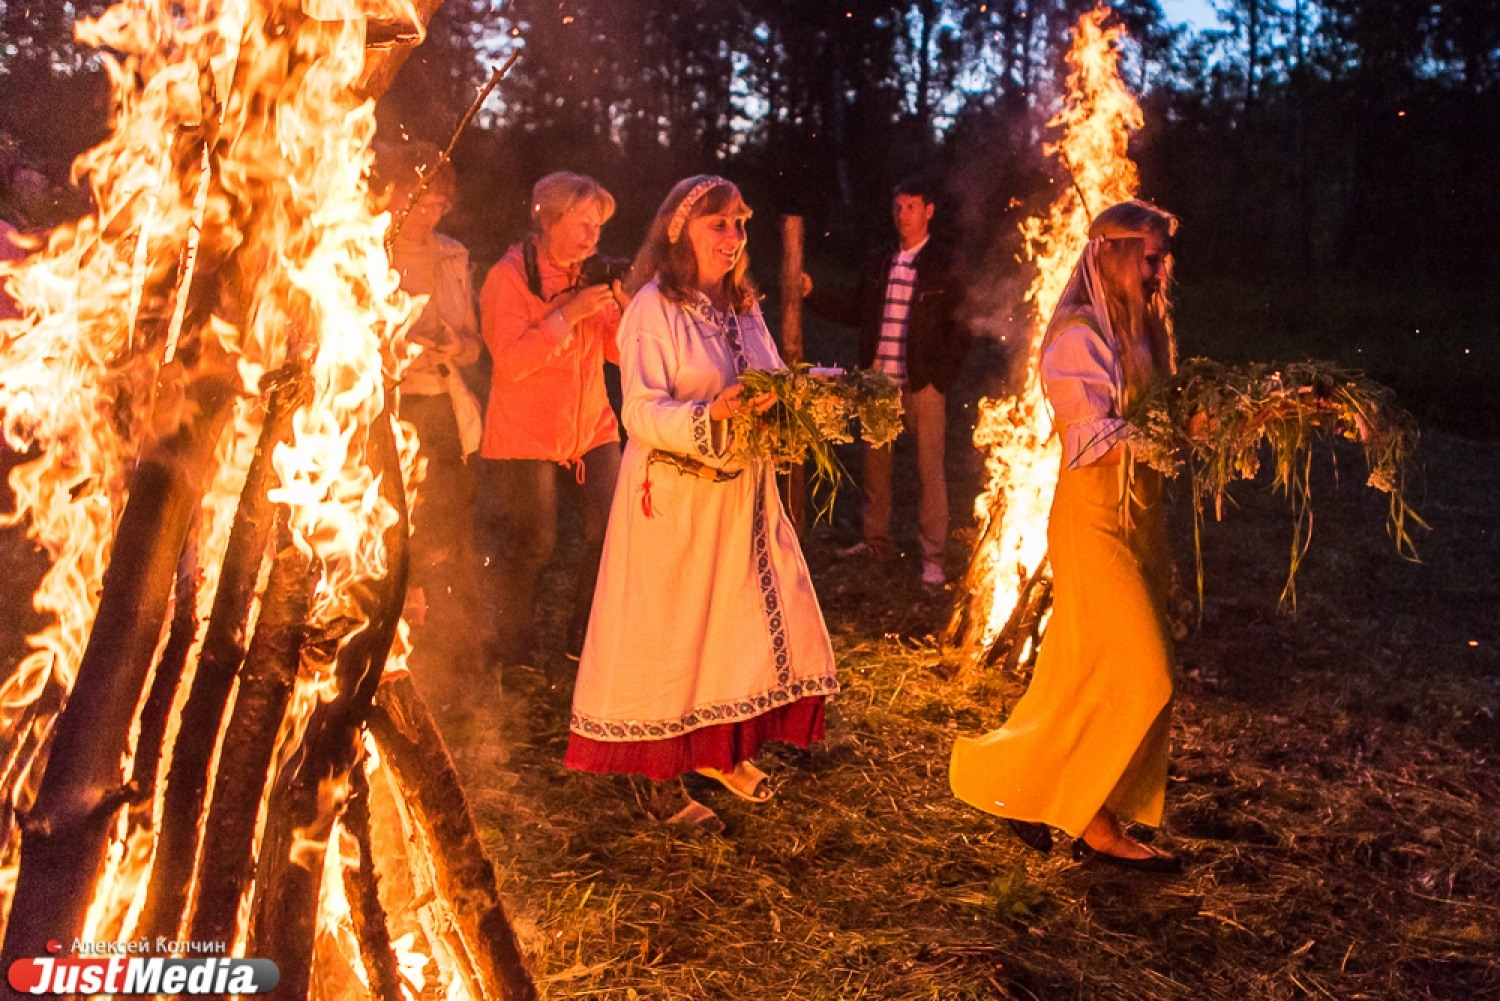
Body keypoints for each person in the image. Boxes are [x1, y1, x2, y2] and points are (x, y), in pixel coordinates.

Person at [564, 175, 839, 828]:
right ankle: (660, 784)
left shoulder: (742, 303)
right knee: (670, 641)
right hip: (675, 503)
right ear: (678, 229)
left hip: (739, 498)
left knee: (732, 626)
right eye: (720, 223)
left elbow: (766, 376)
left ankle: (719, 747)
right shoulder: (653, 310)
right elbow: (639, 410)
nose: (735, 237)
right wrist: (710, 414)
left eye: (741, 223)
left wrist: (806, 398)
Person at [948, 200, 1182, 872]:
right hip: (1093, 518)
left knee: (1088, 670)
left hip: (1136, 516)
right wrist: (1166, 437)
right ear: (1111, 251)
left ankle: (1089, 815)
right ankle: (1039, 789)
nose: (1159, 270)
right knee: (1147, 672)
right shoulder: (1078, 335)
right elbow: (1093, 441)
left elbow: (1157, 412)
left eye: (1163, 257)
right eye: (1149, 256)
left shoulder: (1140, 329)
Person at [478, 172, 628, 664]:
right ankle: (511, 646)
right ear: (546, 218)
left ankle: (585, 639)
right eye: (582, 223)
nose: (592, 236)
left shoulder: (590, 275)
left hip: (592, 428)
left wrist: (624, 312)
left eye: (598, 226)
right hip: (526, 433)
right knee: (534, 545)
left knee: (612, 530)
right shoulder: (509, 276)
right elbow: (511, 361)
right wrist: (570, 314)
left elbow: (617, 354)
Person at [806, 176, 970, 587]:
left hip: (922, 383)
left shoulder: (943, 264)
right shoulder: (881, 261)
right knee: (876, 470)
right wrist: (812, 294)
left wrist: (940, 376)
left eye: (911, 206)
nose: (902, 215)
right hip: (879, 384)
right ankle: (875, 541)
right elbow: (856, 311)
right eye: (897, 207)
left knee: (930, 471)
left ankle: (932, 556)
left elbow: (961, 326)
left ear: (929, 211)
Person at [374, 141, 485, 679]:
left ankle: (445, 650)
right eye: (422, 199)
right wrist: (400, 343)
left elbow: (474, 344)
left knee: (446, 526)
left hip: (442, 401)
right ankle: (386, 637)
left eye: (440, 203)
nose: (430, 211)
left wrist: (451, 346)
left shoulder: (453, 255)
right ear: (395, 193)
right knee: (395, 525)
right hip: (385, 404)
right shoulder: (368, 250)